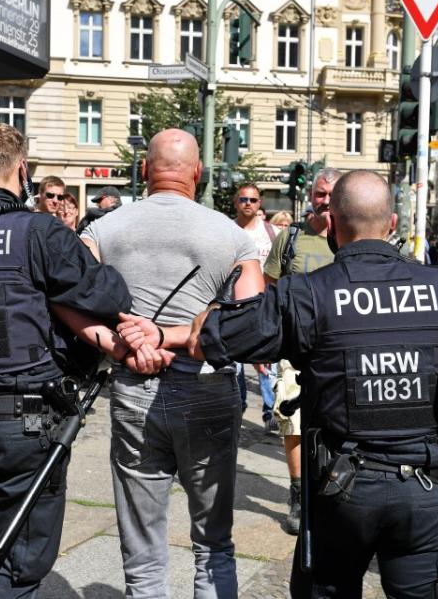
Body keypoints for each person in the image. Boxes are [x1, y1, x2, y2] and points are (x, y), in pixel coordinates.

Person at [189, 170, 438, 598]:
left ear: (331, 223)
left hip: (343, 492)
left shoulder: (308, 293)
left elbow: (210, 339)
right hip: (427, 492)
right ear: (393, 224)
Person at [0, 122, 132, 597]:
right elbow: (106, 294)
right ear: (22, 170)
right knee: (15, 562)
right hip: (25, 428)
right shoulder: (38, 232)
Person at [82, 128, 264, 598]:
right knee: (214, 544)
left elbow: (68, 297)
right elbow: (253, 324)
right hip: (207, 388)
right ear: (198, 174)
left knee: (142, 555)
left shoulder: (103, 229)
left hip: (134, 388)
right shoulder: (232, 236)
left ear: (144, 171)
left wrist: (118, 346)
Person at [262, 168, 340, 536]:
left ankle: (333, 490)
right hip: (294, 349)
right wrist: (264, 340)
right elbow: (270, 292)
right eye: (319, 194)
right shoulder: (290, 238)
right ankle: (298, 494)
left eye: (331, 195)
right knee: (292, 424)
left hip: (338, 349)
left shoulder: (349, 238)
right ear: (311, 195)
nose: (324, 200)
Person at [232, 183, 279, 431]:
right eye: (243, 199)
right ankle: (237, 408)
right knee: (234, 366)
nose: (248, 203)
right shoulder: (226, 230)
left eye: (253, 200)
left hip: (264, 307)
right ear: (235, 203)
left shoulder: (271, 233)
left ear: (260, 203)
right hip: (233, 308)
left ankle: (270, 412)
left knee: (265, 363)